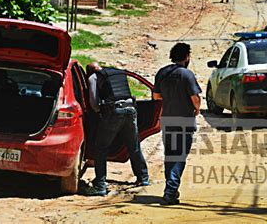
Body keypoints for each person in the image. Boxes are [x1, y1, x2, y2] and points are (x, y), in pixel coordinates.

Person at [84, 62, 150, 196]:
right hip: (131, 109)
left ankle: (100, 185)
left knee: (101, 147)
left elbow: (94, 104)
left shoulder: (93, 78)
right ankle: (143, 178)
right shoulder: (116, 73)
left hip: (114, 111)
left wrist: (99, 114)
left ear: (89, 72)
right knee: (134, 146)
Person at [153, 43, 201, 205]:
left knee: (171, 156)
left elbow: (156, 97)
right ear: (186, 56)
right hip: (185, 121)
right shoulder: (187, 75)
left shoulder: (162, 73)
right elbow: (195, 98)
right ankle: (170, 190)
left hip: (167, 119)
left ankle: (171, 190)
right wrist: (197, 109)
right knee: (179, 157)